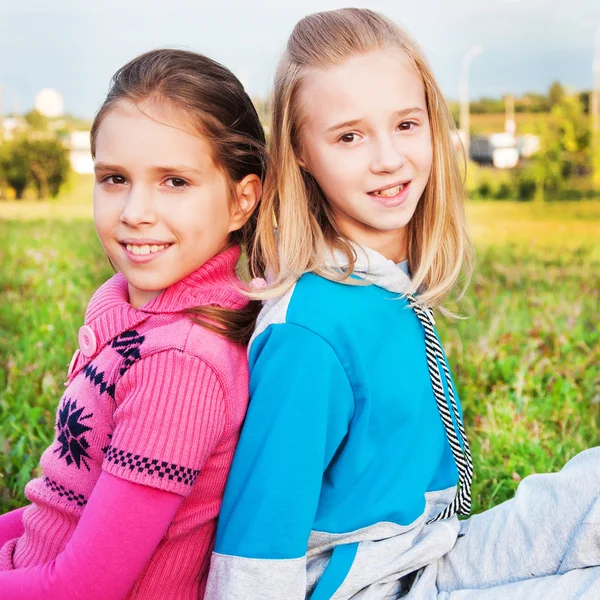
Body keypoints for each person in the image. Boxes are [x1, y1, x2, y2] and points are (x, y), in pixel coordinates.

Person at [205, 9, 600, 599]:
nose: (388, 158)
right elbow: (253, 549)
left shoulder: (387, 280)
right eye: (349, 136)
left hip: (428, 551)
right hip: (361, 587)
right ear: (301, 152)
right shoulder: (308, 334)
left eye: (406, 125)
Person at [0, 48, 266, 599]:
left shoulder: (180, 365)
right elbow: (56, 502)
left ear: (242, 201)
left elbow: (85, 588)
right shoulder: (128, 306)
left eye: (175, 181)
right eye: (115, 178)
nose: (135, 211)